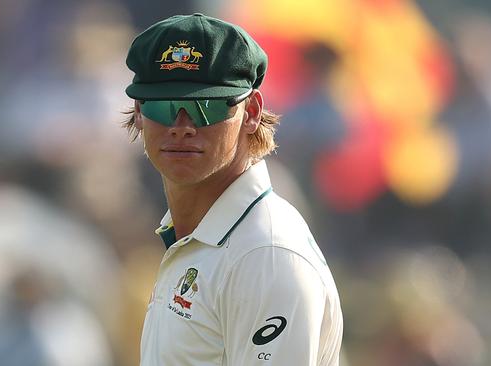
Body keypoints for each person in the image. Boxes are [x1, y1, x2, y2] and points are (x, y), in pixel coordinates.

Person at [122, 13, 343, 365]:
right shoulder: (205, 238)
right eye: (162, 106)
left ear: (252, 111)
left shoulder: (264, 254)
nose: (181, 126)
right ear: (138, 112)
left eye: (204, 107)